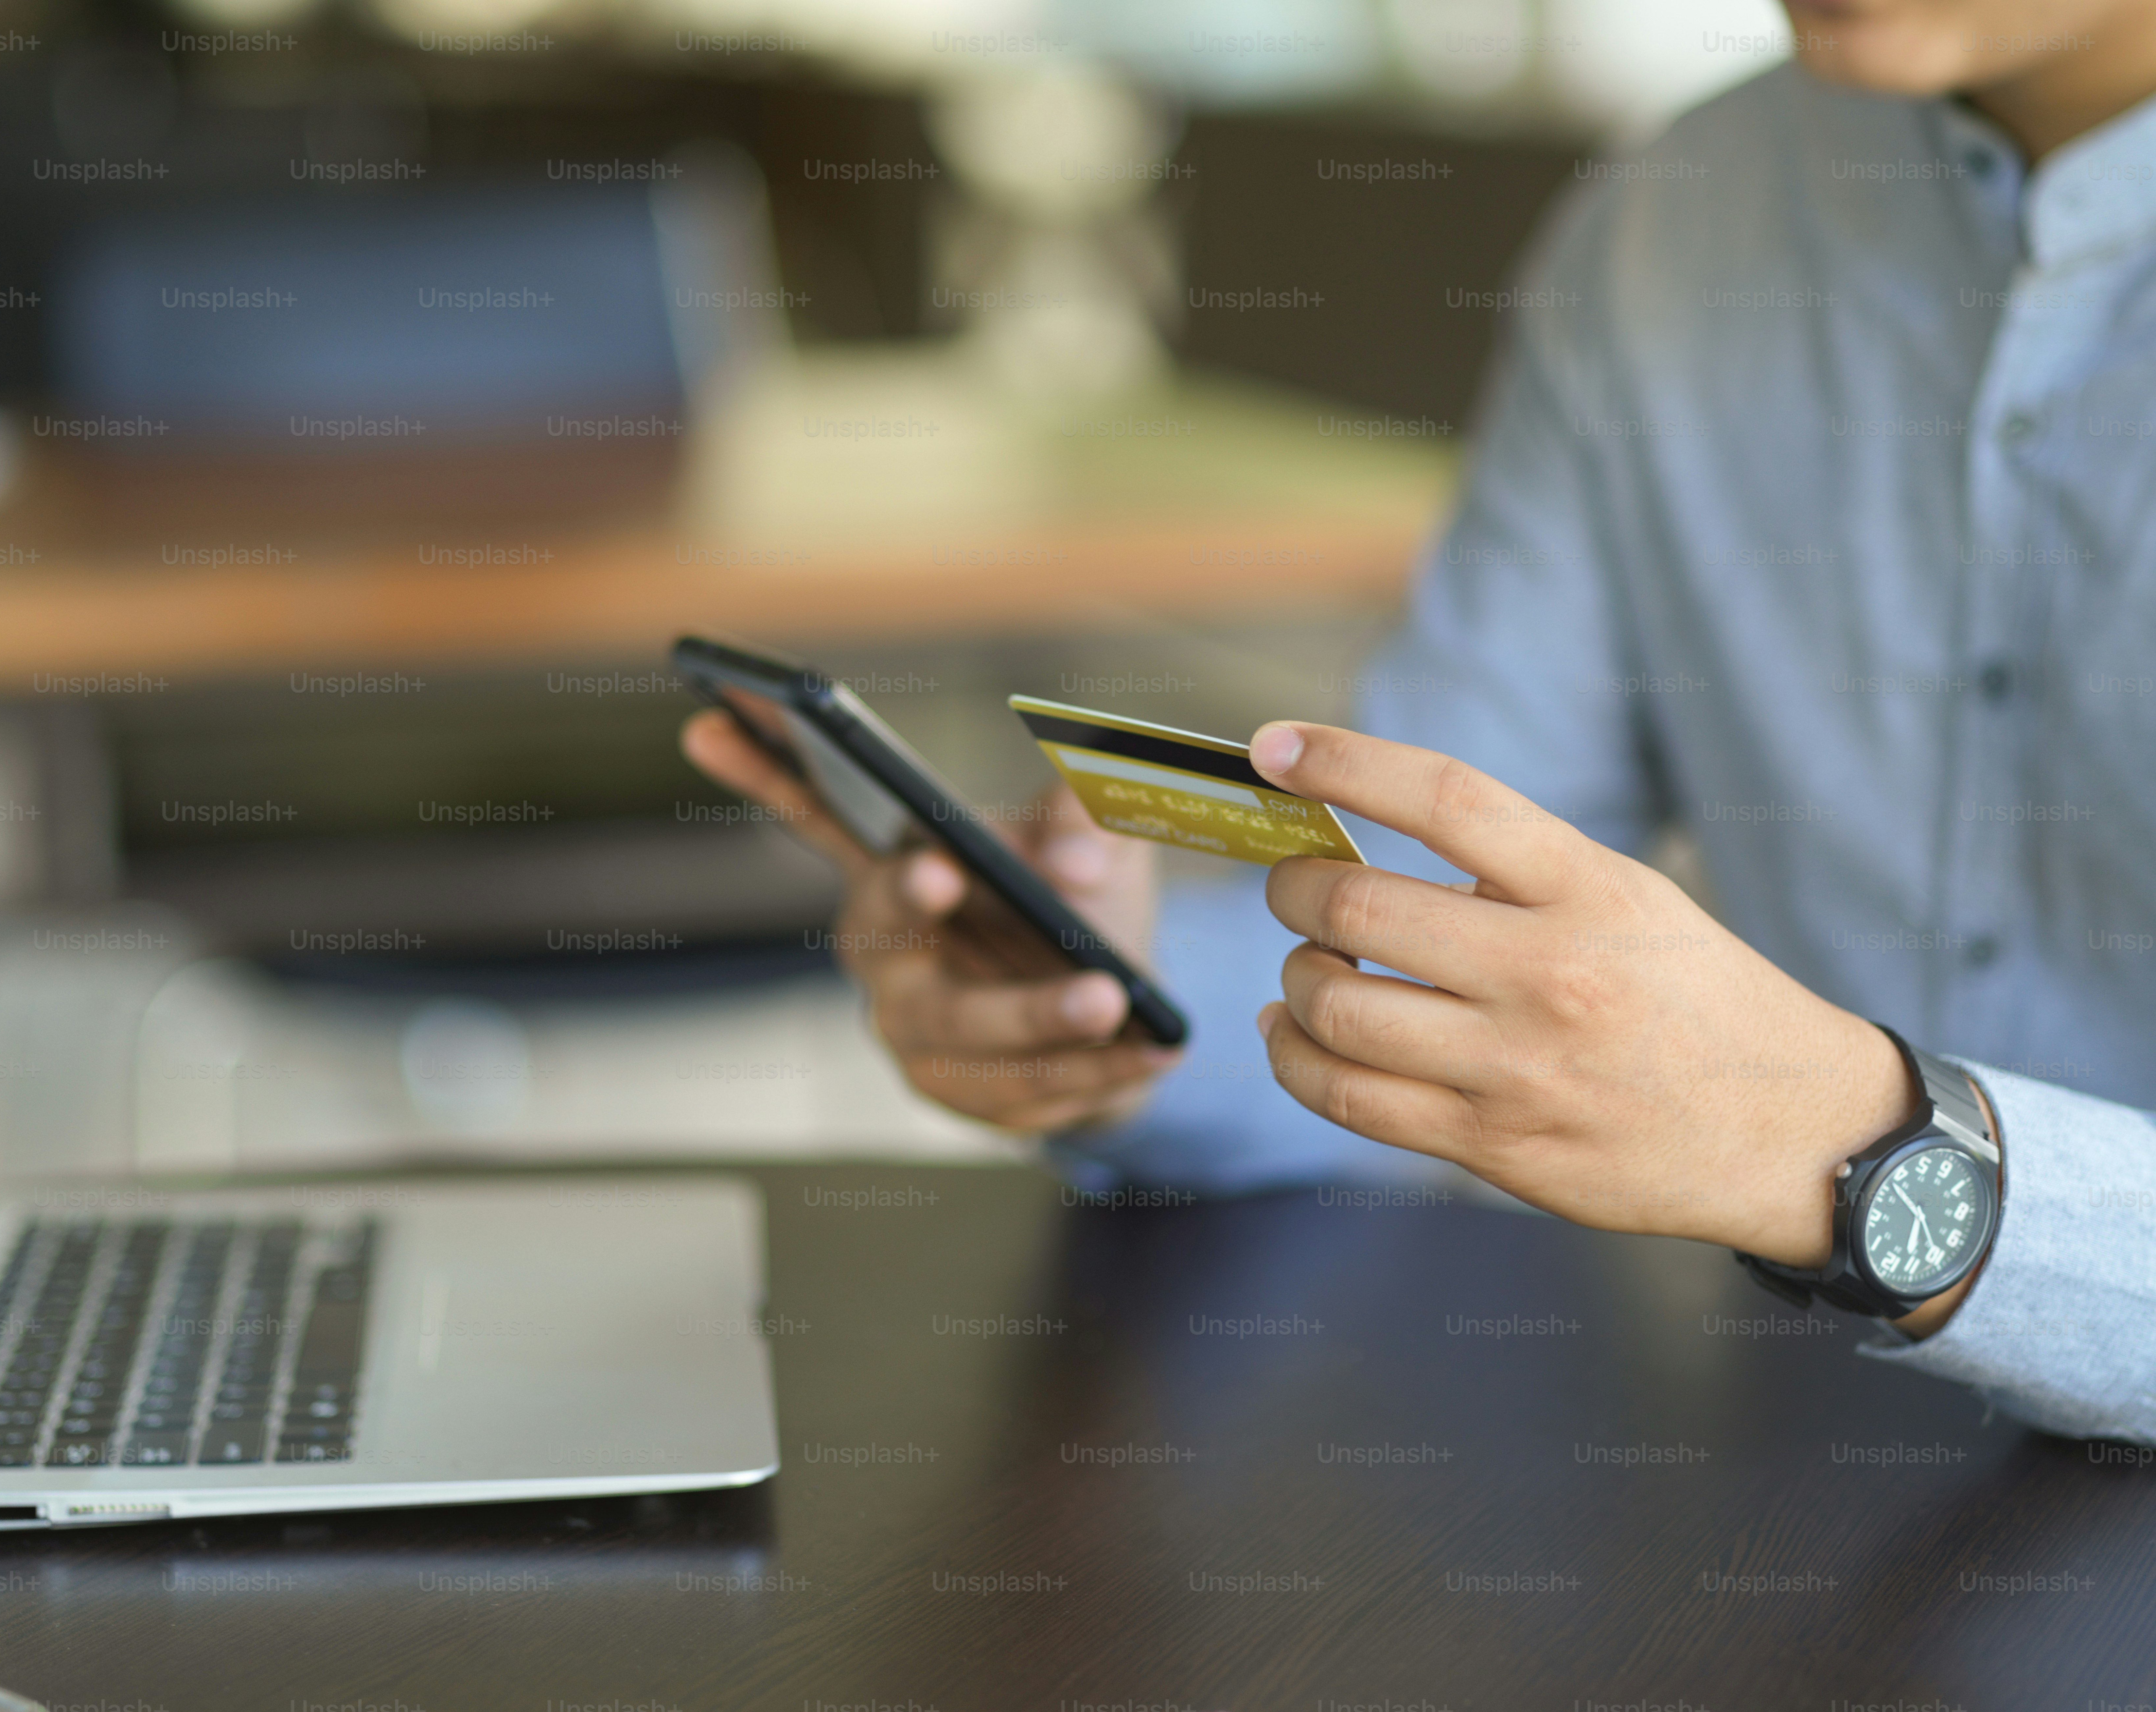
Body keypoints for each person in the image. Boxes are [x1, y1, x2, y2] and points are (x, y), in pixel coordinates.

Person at [683, 0, 2156, 1445]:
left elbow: (1778, 1129)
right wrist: (1109, 1004)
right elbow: (1437, 910)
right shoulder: (1676, 219)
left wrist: (1855, 1151)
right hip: (1814, 1493)